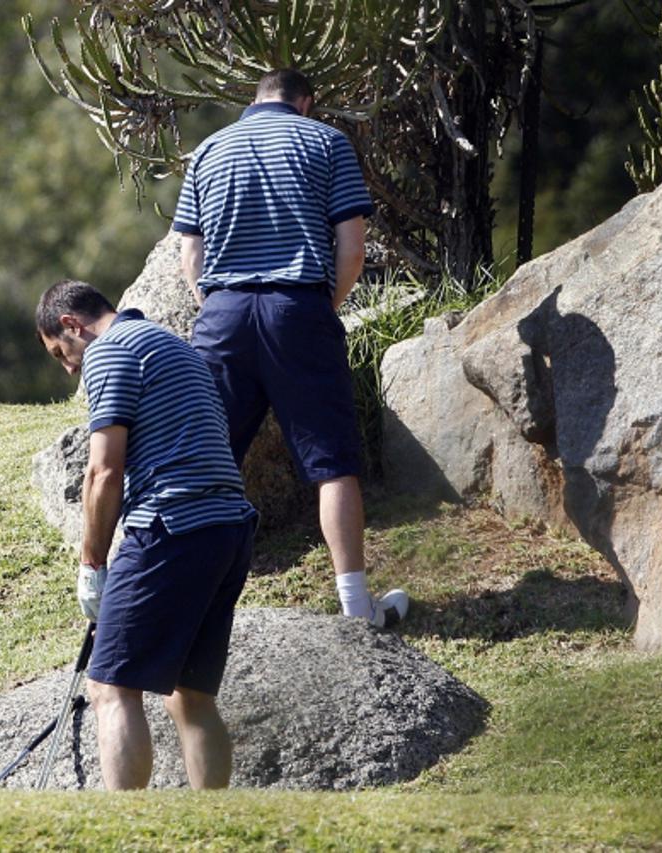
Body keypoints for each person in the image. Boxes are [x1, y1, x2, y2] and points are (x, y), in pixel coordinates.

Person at [171, 67, 406, 628]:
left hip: (222, 313)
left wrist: (214, 304)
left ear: (255, 100)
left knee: (201, 461)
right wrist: (325, 305)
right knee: (332, 464)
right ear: (306, 103)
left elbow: (190, 251)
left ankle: (180, 600)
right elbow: (352, 246)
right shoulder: (325, 141)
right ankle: (355, 608)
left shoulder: (209, 149)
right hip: (297, 306)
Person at [36, 280, 257, 789]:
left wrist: (92, 565)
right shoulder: (170, 345)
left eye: (59, 353)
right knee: (191, 695)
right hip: (228, 528)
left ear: (70, 324)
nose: (68, 367)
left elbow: (103, 472)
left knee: (109, 687)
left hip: (171, 525)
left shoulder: (109, 352)